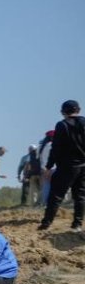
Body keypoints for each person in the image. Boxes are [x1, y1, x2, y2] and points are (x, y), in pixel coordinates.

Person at [38, 100, 85, 233]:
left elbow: (56, 147)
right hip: (83, 165)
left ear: (63, 112)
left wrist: (48, 166)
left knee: (56, 196)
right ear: (79, 110)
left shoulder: (62, 125)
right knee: (80, 196)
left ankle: (46, 224)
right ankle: (77, 224)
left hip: (67, 166)